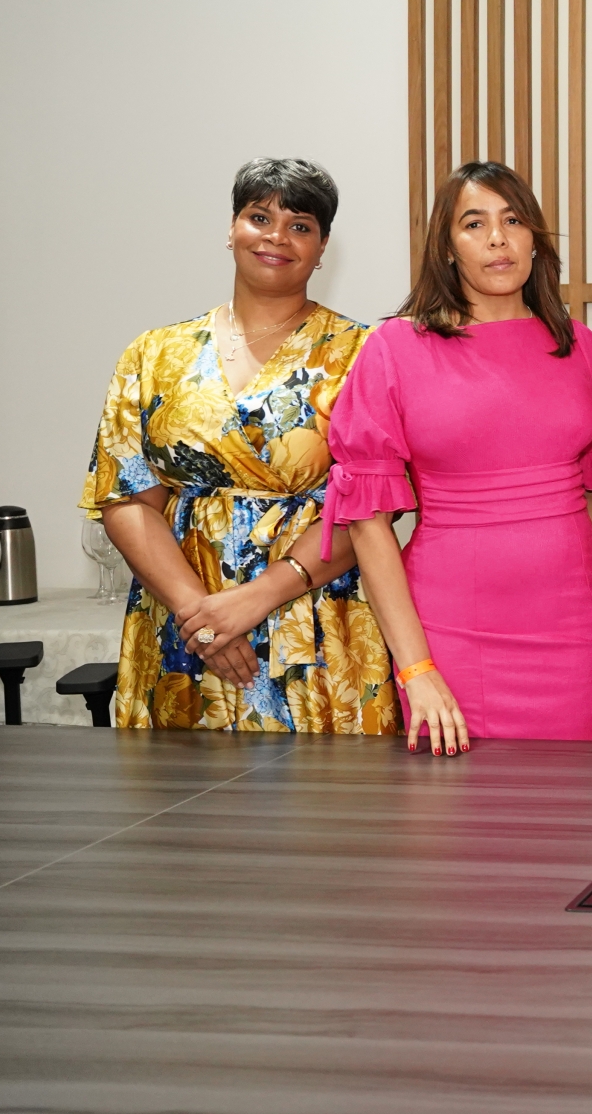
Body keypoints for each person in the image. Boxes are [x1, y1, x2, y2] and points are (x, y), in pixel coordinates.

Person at [80, 158, 390, 734]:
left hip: (313, 618)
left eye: (300, 226)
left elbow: (372, 505)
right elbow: (125, 496)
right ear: (231, 229)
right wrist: (200, 617)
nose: (277, 237)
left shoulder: (364, 354)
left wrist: (257, 598)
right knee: (179, 788)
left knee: (326, 788)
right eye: (259, 217)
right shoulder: (153, 354)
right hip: (180, 625)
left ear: (322, 247)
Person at [323, 162, 592, 753]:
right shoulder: (394, 349)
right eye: (474, 223)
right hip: (448, 630)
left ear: (534, 239)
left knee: (571, 800)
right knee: (454, 804)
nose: (497, 239)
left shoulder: (582, 348)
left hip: (575, 628)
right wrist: (415, 667)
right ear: (447, 246)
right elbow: (367, 522)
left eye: (513, 221)